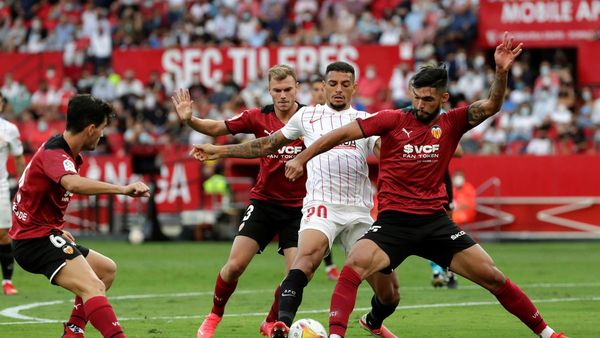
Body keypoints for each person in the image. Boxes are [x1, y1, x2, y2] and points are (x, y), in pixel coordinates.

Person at [285, 33, 568, 338]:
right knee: (353, 268)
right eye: (416, 97)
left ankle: (549, 333)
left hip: (436, 222)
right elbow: (340, 135)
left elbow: (491, 105)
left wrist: (500, 71)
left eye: (428, 99)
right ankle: (337, 335)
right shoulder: (391, 119)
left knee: (493, 277)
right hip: (394, 222)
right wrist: (303, 157)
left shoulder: (452, 122)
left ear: (443, 98)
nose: (420, 104)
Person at [191, 61, 400, 338]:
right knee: (292, 265)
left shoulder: (366, 120)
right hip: (310, 206)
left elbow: (383, 150)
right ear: (323, 87)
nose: (338, 90)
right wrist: (220, 151)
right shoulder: (307, 117)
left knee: (390, 294)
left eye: (345, 85)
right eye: (333, 84)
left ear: (354, 88)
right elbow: (265, 144)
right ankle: (274, 324)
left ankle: (372, 320)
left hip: (353, 212)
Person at [172, 65, 308, 338]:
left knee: (297, 274)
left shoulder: (310, 118)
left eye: (288, 90)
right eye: (277, 90)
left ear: (297, 89)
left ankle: (271, 321)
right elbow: (217, 127)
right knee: (234, 266)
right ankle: (214, 315)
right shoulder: (257, 117)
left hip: (301, 208)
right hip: (264, 203)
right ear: (269, 91)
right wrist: (190, 120)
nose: (283, 95)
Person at [9, 94, 149, 338]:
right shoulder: (56, 154)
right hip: (33, 241)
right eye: (102, 129)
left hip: (41, 233)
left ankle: (73, 331)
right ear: (91, 129)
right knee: (93, 286)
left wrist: (53, 227)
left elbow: (30, 193)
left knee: (106, 271)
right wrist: (122, 189)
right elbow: (72, 184)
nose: (103, 135)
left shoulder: (64, 152)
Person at [309, 73, 340, 281]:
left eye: (322, 89)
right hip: (310, 181)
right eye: (316, 90)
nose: (319, 93)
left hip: (332, 179)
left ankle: (331, 266)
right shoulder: (305, 116)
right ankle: (328, 266)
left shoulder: (338, 116)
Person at [0, 92, 26, 295]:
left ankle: (7, 282)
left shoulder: (9, 129)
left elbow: (18, 158)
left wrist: (23, 184)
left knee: (3, 234)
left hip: (0, 186)